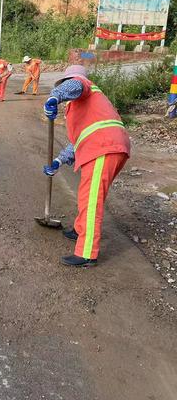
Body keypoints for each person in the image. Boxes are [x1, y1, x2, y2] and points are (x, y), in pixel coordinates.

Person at [43, 65, 130, 267]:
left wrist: (55, 96)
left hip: (105, 146)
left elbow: (76, 84)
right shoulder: (84, 106)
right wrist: (59, 161)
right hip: (107, 146)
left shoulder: (83, 85)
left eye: (65, 84)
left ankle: (87, 252)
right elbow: (78, 142)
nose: (66, 88)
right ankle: (80, 230)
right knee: (88, 195)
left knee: (91, 201)